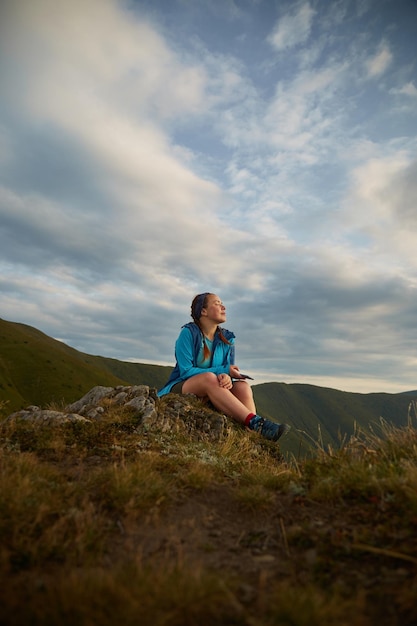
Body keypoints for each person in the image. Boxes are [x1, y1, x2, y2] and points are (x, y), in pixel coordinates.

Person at [158, 292, 290, 442]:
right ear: (203, 311)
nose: (223, 307)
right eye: (217, 303)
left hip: (213, 387)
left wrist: (227, 377)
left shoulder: (227, 339)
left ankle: (253, 437)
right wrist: (222, 371)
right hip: (182, 387)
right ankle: (256, 422)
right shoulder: (188, 333)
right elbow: (186, 371)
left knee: (243, 387)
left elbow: (226, 369)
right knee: (209, 378)